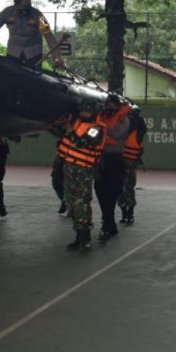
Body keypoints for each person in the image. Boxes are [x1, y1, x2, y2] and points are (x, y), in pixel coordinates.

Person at [59, 100, 107, 249]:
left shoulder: (96, 128)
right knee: (71, 202)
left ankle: (85, 237)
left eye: (87, 111)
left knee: (82, 203)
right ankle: (78, 235)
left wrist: (69, 129)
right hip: (69, 168)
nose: (84, 114)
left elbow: (83, 143)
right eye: (82, 111)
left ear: (94, 113)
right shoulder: (77, 123)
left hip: (83, 171)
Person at [0, 0, 62, 69]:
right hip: (13, 53)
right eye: (23, 6)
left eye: (28, 5)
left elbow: (49, 36)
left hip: (34, 54)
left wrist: (57, 58)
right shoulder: (7, 12)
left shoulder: (38, 15)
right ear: (16, 4)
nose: (26, 8)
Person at [95, 94, 130, 240]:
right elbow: (95, 134)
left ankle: (107, 223)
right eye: (108, 104)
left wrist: (103, 129)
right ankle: (108, 222)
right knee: (99, 189)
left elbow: (115, 133)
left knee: (111, 192)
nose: (110, 107)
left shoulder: (124, 120)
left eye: (113, 105)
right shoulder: (101, 118)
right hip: (101, 159)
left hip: (115, 160)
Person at [119, 105, 147, 225]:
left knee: (124, 188)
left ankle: (127, 213)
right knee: (126, 188)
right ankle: (127, 213)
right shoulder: (139, 126)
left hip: (126, 161)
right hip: (129, 161)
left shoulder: (131, 126)